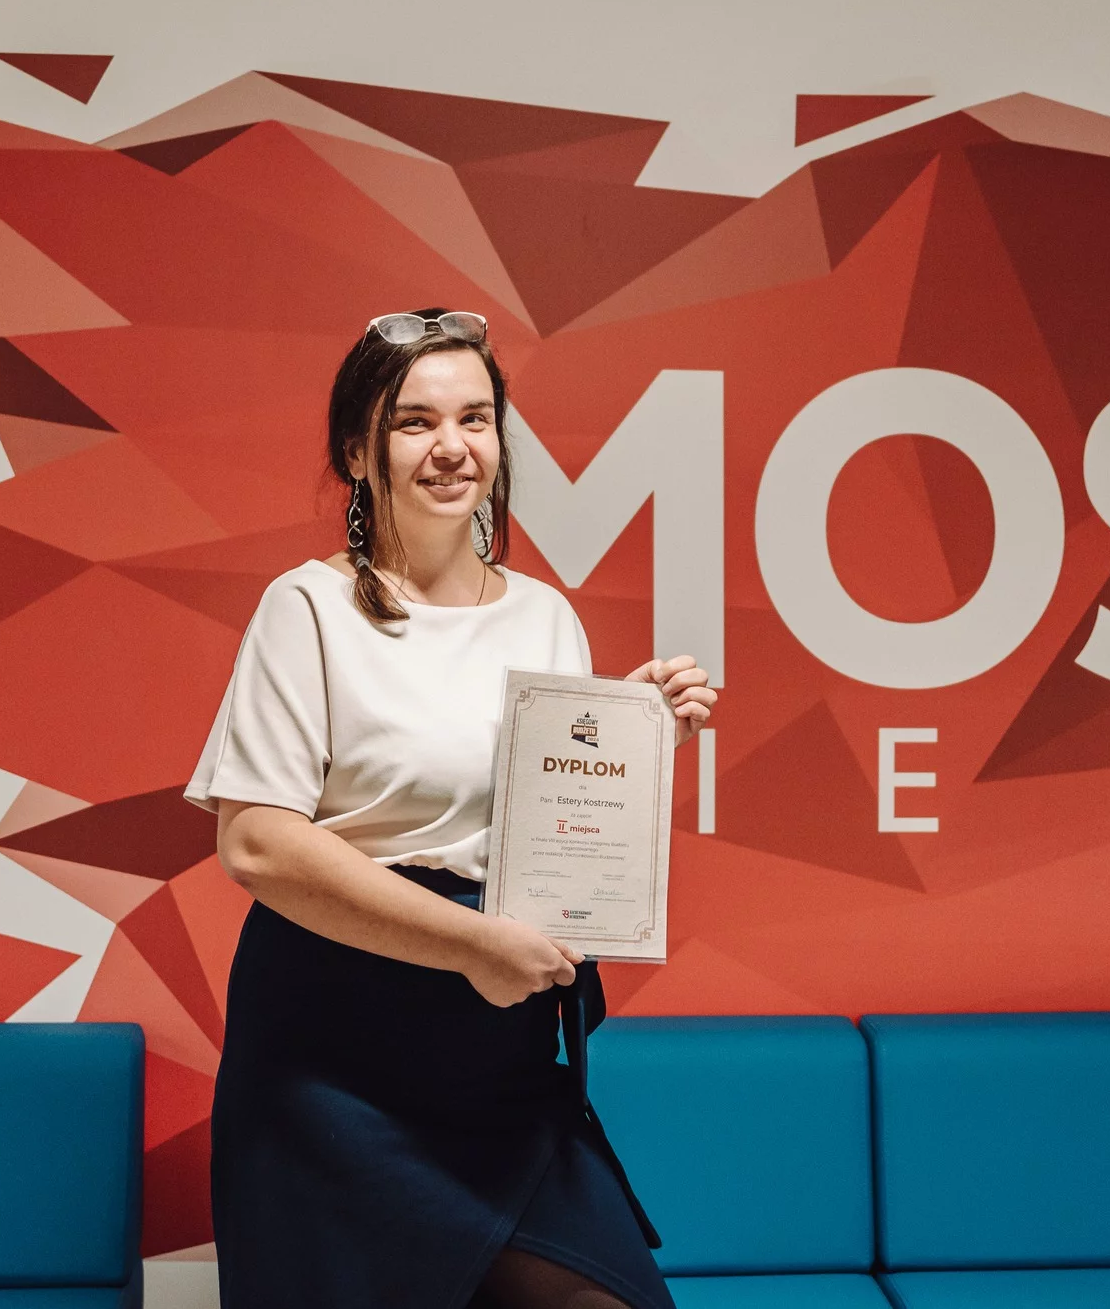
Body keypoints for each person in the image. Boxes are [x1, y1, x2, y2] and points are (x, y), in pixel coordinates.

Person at [183, 308, 715, 1309]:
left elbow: (548, 824)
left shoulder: (543, 614)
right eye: (414, 421)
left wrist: (635, 737)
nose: (452, 446)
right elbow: (257, 844)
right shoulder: (306, 608)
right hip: (332, 1051)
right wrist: (470, 943)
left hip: (494, 1053)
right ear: (358, 451)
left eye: (474, 418)